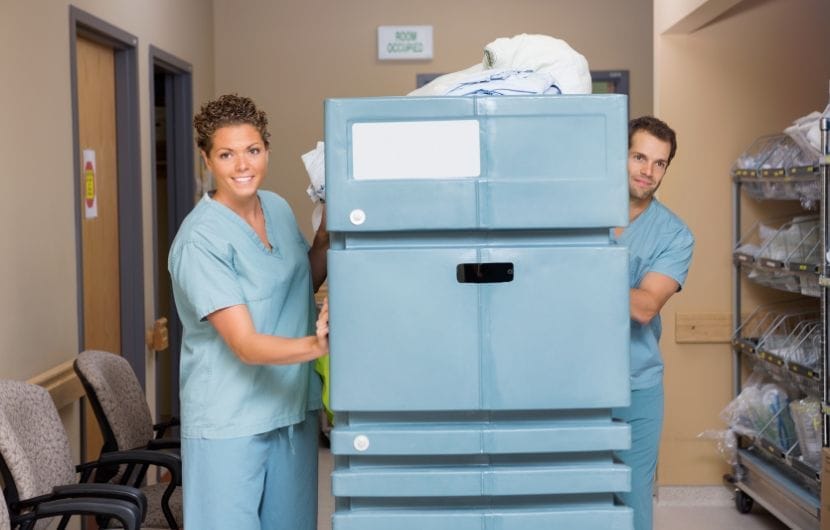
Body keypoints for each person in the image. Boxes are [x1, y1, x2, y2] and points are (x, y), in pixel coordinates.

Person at [168, 93, 330, 530]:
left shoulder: (275, 207)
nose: (243, 165)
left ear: (267, 152)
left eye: (252, 150)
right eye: (227, 154)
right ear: (207, 159)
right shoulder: (200, 240)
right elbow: (245, 344)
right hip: (230, 420)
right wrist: (320, 345)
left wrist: (328, 238)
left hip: (291, 409)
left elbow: (298, 284)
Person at [612, 116, 694, 530]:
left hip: (636, 383)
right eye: (639, 157)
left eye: (659, 163)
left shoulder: (674, 235)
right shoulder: (575, 214)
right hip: (568, 381)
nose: (648, 171)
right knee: (570, 494)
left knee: (633, 499)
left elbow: (645, 307)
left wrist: (573, 272)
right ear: (619, 154)